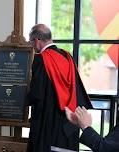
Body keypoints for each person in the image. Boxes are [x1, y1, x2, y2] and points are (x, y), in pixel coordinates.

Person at [26, 24, 93, 152]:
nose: (32, 46)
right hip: (69, 120)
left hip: (48, 120)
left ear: (36, 41)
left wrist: (21, 101)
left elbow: (36, 93)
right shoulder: (67, 57)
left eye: (31, 42)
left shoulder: (42, 59)